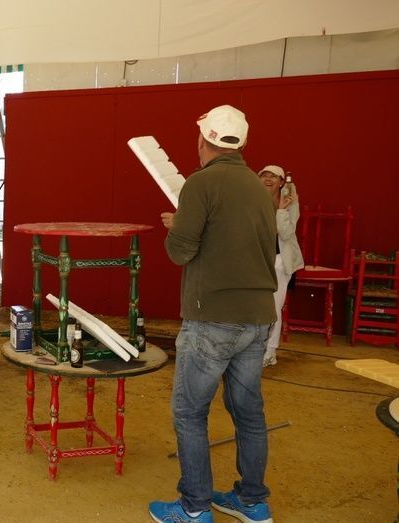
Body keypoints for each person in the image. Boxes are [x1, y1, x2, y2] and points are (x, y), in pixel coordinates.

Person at [149, 105, 278, 523]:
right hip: (257, 316)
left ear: (204, 139)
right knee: (249, 413)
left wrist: (178, 226)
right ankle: (252, 501)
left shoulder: (201, 183)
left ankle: (194, 507)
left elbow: (180, 251)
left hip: (213, 317)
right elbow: (243, 242)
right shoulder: (259, 187)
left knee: (190, 412)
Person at [258, 164, 304, 367]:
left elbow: (285, 232)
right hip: (258, 260)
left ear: (281, 182)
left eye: (273, 176)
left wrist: (281, 210)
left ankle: (270, 352)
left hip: (279, 261)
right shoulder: (255, 200)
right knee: (256, 307)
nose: (268, 179)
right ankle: (255, 350)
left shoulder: (289, 202)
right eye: (264, 175)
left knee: (273, 308)